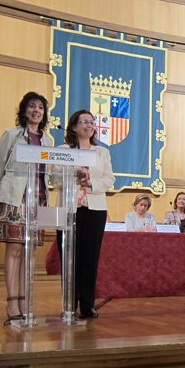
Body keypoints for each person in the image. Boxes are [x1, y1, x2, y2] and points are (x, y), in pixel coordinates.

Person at [0, 91, 53, 325]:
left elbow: (49, 170)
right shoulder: (12, 135)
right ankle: (11, 302)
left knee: (30, 253)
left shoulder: (48, 141)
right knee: (14, 250)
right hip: (15, 198)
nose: (36, 110)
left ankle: (26, 301)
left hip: (37, 200)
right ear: (24, 110)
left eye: (40, 107)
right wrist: (4, 190)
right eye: (32, 106)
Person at [52, 109, 115, 319]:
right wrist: (74, 173)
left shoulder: (102, 152)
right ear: (73, 127)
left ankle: (87, 304)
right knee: (68, 258)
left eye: (91, 122)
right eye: (83, 122)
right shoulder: (62, 150)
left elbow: (109, 180)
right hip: (68, 209)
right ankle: (68, 304)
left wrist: (90, 182)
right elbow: (54, 180)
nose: (88, 125)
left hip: (94, 210)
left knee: (90, 258)